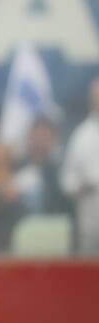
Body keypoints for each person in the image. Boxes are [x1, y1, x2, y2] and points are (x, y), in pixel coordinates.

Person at [62, 79, 99, 254]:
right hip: (89, 223)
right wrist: (81, 186)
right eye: (96, 96)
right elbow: (66, 180)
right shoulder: (80, 136)